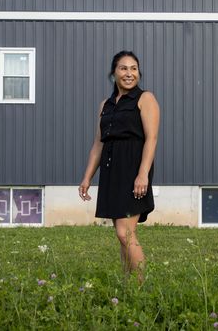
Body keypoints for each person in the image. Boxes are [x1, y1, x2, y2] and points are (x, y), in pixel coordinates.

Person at [79, 50, 160, 278]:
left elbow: (151, 138)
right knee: (121, 233)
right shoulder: (106, 105)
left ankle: (143, 285)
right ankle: (129, 282)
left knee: (126, 233)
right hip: (111, 171)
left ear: (139, 73)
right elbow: (98, 143)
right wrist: (87, 177)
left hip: (133, 169)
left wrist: (142, 174)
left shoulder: (146, 99)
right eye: (123, 68)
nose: (129, 73)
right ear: (113, 73)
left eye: (133, 68)